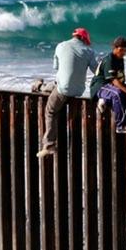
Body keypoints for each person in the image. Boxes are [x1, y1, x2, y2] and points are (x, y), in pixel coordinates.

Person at [37, 28, 97, 158]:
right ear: (85, 39)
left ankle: (49, 144)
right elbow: (96, 70)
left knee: (50, 111)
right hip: (78, 90)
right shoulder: (89, 51)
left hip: (62, 89)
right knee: (54, 86)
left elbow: (56, 67)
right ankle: (40, 86)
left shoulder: (61, 46)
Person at [90, 36, 126, 133]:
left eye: (125, 50)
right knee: (117, 93)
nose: (123, 53)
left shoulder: (120, 59)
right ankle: (121, 126)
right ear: (115, 48)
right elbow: (114, 80)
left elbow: (121, 79)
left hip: (111, 87)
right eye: (121, 50)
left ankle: (106, 101)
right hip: (101, 86)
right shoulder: (109, 59)